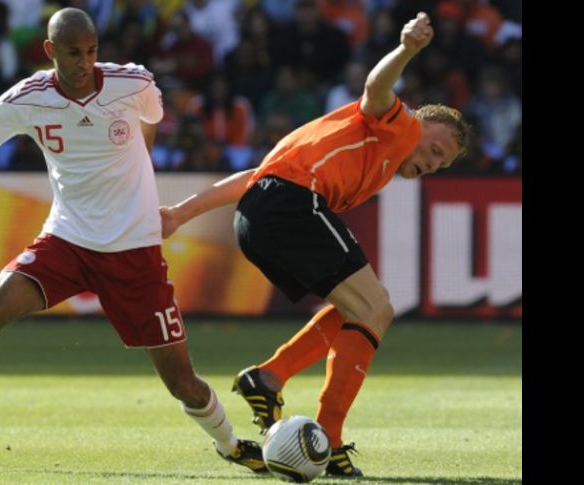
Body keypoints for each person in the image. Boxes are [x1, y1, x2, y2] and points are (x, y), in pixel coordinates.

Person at [0, 8, 265, 474]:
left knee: (183, 384)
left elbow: (150, 117)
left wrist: (139, 166)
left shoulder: (133, 83)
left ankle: (231, 446)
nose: (85, 61)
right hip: (66, 241)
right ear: (50, 51)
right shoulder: (26, 98)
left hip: (135, 251)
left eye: (91, 51)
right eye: (73, 53)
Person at [159, 12, 471, 477]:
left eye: (441, 165)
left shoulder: (363, 154)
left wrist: (183, 211)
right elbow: (376, 88)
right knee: (377, 307)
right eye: (435, 151)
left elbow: (255, 178)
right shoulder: (399, 125)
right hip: (291, 204)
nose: (432, 164)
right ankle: (329, 432)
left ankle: (267, 378)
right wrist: (407, 49)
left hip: (260, 216)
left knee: (359, 308)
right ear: (420, 128)